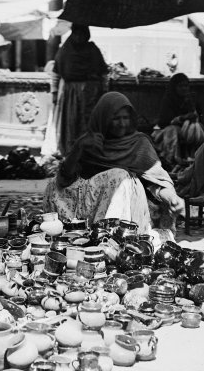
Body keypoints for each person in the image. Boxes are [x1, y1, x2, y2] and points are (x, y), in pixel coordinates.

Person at [43, 92, 185, 234]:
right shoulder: (88, 142)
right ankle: (72, 231)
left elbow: (157, 182)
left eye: (125, 118)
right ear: (103, 119)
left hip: (128, 211)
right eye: (116, 119)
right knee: (53, 184)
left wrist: (172, 198)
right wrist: (78, 149)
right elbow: (64, 179)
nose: (122, 124)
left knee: (119, 176)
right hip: (89, 207)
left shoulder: (139, 144)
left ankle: (112, 236)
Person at [49, 24, 109, 155]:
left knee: (88, 122)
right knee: (72, 122)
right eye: (77, 33)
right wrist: (54, 92)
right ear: (73, 33)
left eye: (83, 33)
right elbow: (56, 73)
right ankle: (72, 152)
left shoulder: (93, 49)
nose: (80, 37)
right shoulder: (65, 50)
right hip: (71, 93)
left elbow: (103, 73)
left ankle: (90, 153)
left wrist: (104, 90)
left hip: (91, 92)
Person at [152, 73, 201, 166]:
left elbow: (198, 116)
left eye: (186, 86)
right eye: (180, 86)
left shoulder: (191, 99)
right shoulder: (168, 100)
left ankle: (194, 159)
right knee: (172, 130)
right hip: (167, 130)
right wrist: (182, 118)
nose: (184, 89)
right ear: (174, 87)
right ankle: (170, 160)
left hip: (187, 130)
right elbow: (163, 121)